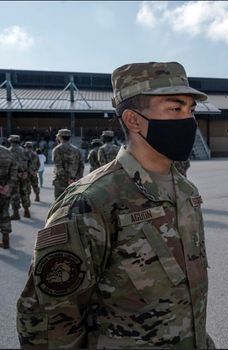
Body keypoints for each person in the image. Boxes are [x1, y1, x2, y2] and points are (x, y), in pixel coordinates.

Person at [17, 61, 214, 348]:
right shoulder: (90, 202)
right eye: (175, 108)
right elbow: (48, 322)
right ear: (134, 120)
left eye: (191, 110)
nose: (189, 121)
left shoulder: (185, 190)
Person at [51, 129, 84, 199]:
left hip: (61, 181)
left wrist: (68, 178)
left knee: (59, 203)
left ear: (59, 137)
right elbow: (81, 166)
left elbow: (58, 167)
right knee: (72, 202)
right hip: (74, 181)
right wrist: (77, 179)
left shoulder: (57, 150)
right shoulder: (76, 150)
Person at [7, 135, 31, 219]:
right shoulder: (25, 151)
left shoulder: (9, 151)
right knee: (24, 193)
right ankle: (26, 211)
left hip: (14, 176)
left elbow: (8, 165)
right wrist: (26, 173)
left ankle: (16, 213)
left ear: (10, 141)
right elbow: (30, 163)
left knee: (14, 194)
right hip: (24, 175)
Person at [0, 144, 17, 248]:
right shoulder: (7, 151)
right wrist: (8, 186)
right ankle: (5, 239)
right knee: (4, 212)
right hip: (5, 190)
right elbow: (14, 170)